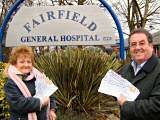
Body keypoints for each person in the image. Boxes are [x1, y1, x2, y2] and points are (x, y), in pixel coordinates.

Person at [4, 45, 57, 120]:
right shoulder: (10, 83)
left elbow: (50, 93)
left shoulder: (40, 75)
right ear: (15, 64)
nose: (26, 65)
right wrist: (40, 102)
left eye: (29, 62)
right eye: (22, 62)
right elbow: (19, 104)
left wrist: (52, 110)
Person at [118, 28, 160, 120]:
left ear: (151, 46)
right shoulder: (126, 69)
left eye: (141, 43)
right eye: (133, 44)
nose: (137, 47)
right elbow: (120, 94)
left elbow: (157, 106)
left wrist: (126, 105)